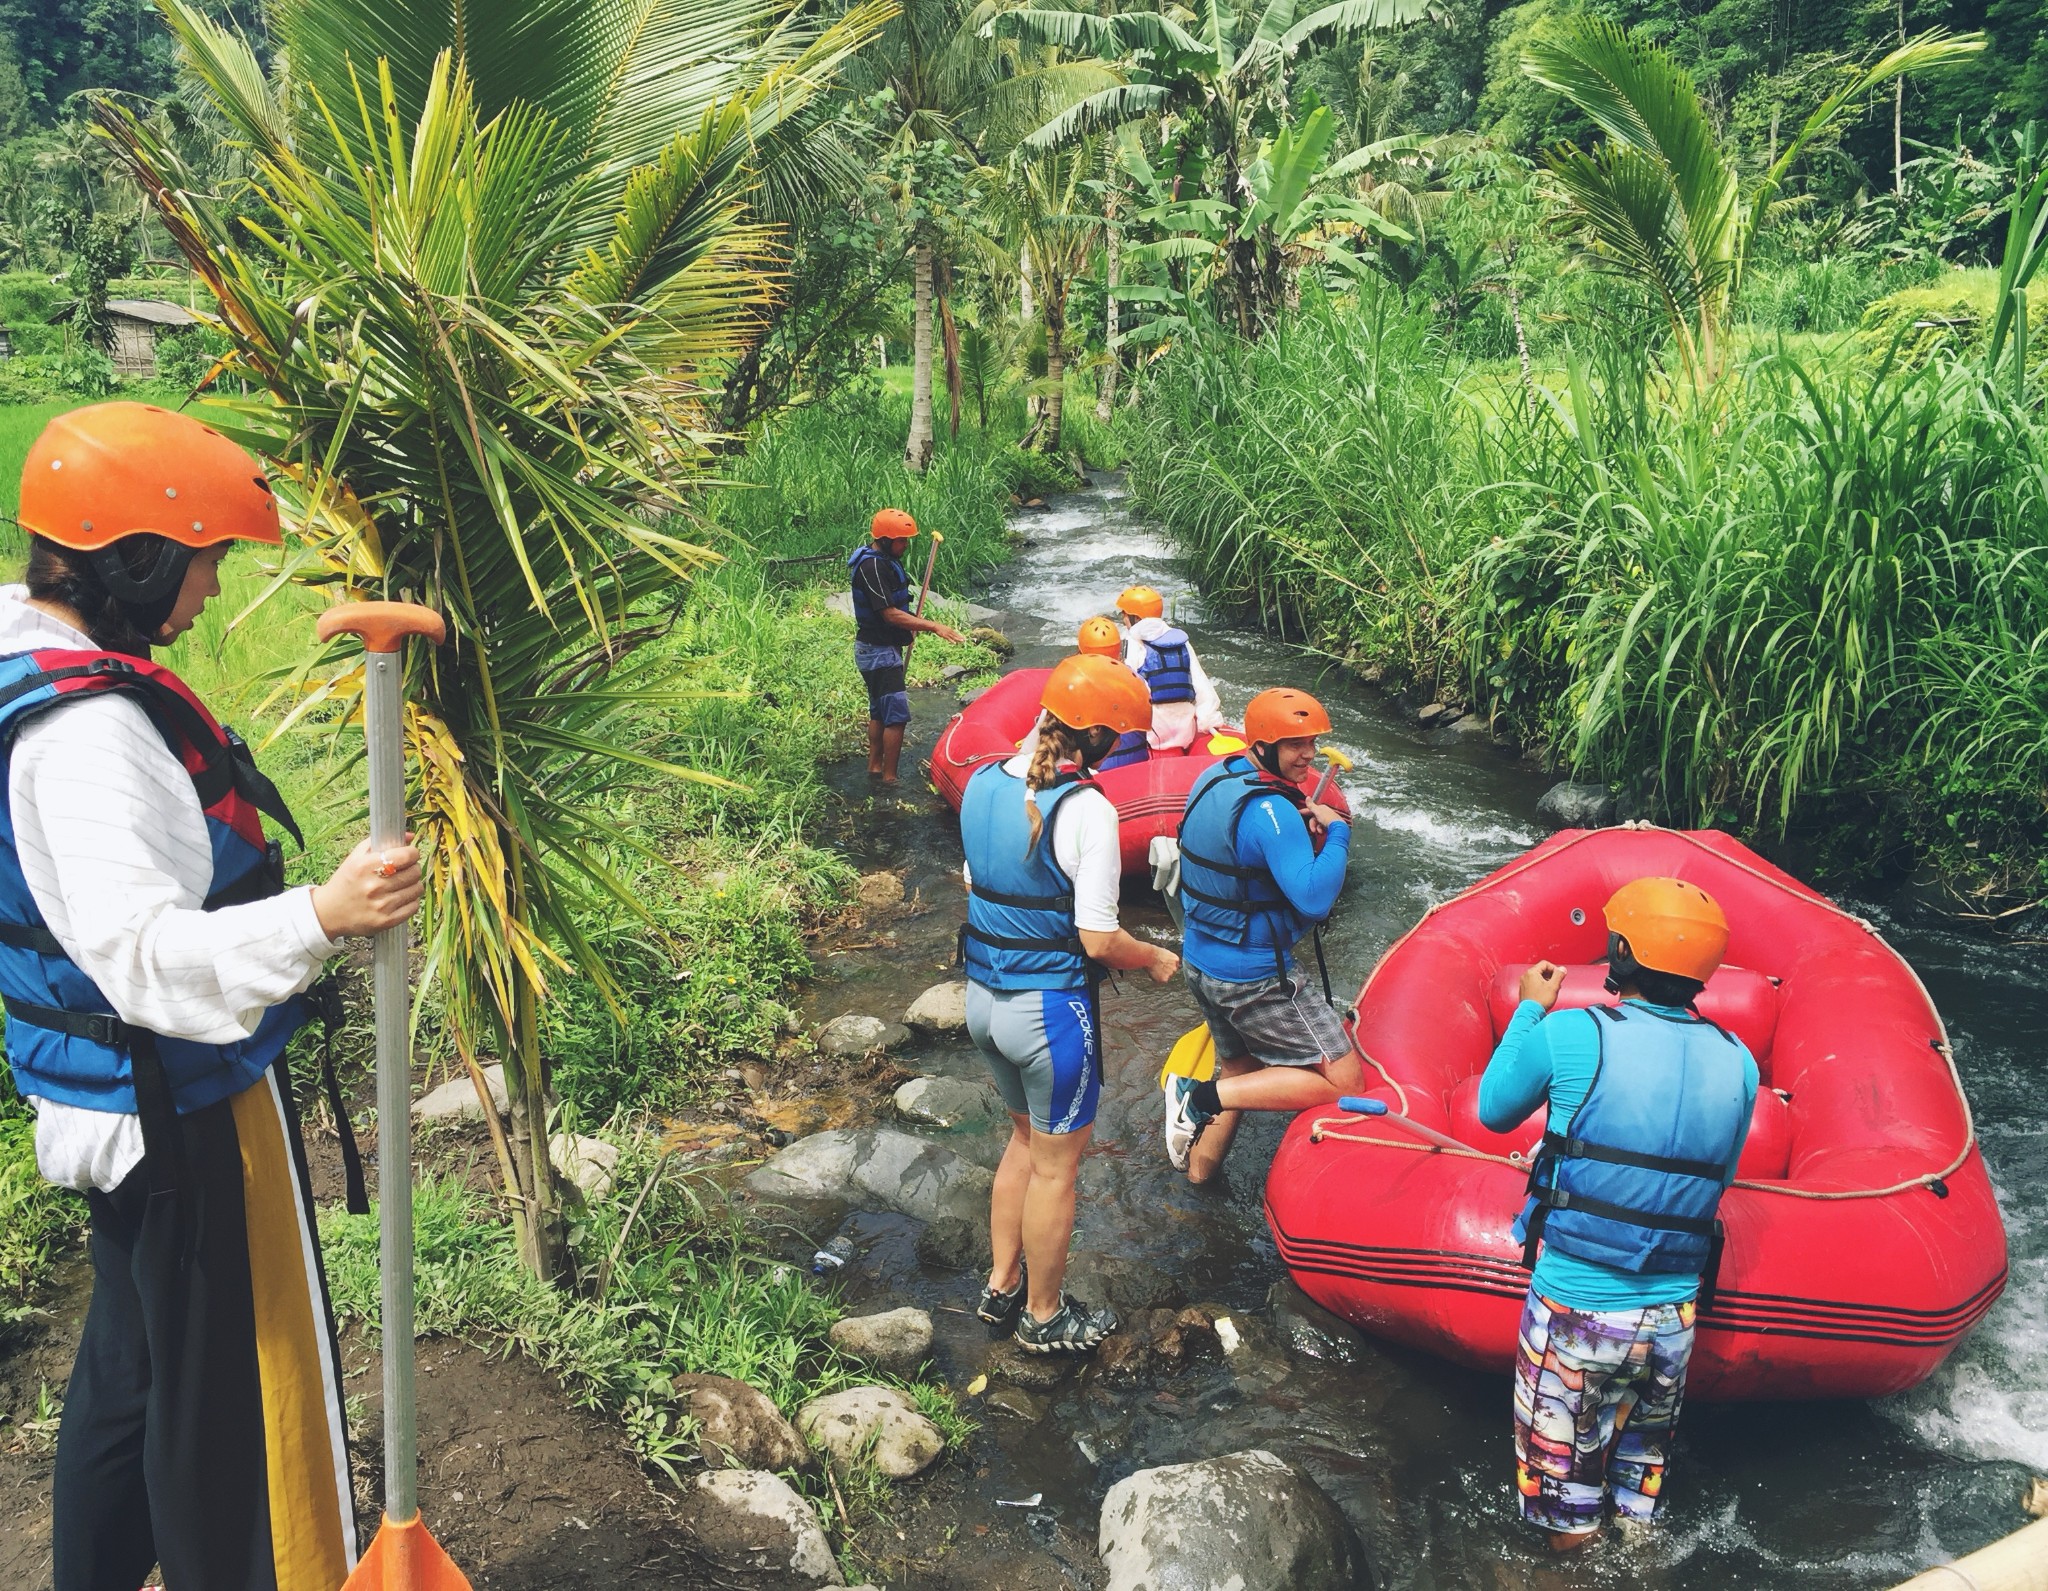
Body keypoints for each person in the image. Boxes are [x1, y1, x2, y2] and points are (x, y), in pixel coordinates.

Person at [1, 402, 425, 1591]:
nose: (208, 594)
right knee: (243, 1417)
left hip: (107, 1110)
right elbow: (141, 954)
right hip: (181, 1109)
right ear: (134, 558)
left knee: (131, 1383)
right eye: (202, 562)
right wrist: (323, 916)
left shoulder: (19, 646)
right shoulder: (88, 731)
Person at [1478, 878, 1758, 1551]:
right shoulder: (1739, 1060)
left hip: (1577, 1314)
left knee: (1564, 1514)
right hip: (1672, 1324)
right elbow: (1717, 1178)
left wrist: (1530, 1010)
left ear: (1622, 952)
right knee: (1636, 1509)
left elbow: (1493, 1109)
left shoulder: (1573, 1031)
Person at [959, 655, 1179, 1352]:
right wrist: (1153, 956)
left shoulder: (980, 784)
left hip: (982, 1001)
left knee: (1023, 1142)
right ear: (1103, 740)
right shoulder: (1087, 808)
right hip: (1048, 1015)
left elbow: (979, 886)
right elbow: (1095, 937)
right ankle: (1045, 1316)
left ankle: (1001, 1286)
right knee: (1058, 1167)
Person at [1163, 687, 1356, 1183]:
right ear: (1266, 745)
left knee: (1240, 1069)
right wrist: (1336, 834)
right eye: (1295, 744)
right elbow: (1313, 898)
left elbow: (1240, 856)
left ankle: (1199, 1177)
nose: (1309, 754)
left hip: (1201, 964)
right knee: (1342, 1081)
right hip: (1253, 978)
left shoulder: (1216, 776)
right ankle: (1196, 1096)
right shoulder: (1270, 812)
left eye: (1312, 742)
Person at [848, 508, 965, 783]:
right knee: (896, 716)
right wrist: (934, 626)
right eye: (901, 540)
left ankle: (875, 769)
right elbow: (888, 613)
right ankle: (890, 779)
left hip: (880, 648)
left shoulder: (883, 560)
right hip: (877, 652)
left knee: (879, 710)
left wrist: (912, 625)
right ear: (886, 539)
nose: (905, 545)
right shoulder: (871, 567)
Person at [1115, 585, 1221, 754]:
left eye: (1125, 615)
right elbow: (1203, 689)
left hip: (1151, 737)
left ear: (1135, 617)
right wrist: (1208, 720)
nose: (1123, 620)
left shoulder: (1133, 643)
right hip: (1186, 733)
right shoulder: (1181, 641)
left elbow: (1126, 692)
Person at [1076, 616, 1148, 772]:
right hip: (1139, 766)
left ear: (1080, 653)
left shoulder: (1074, 685)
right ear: (1119, 652)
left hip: (1097, 772)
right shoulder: (1138, 681)